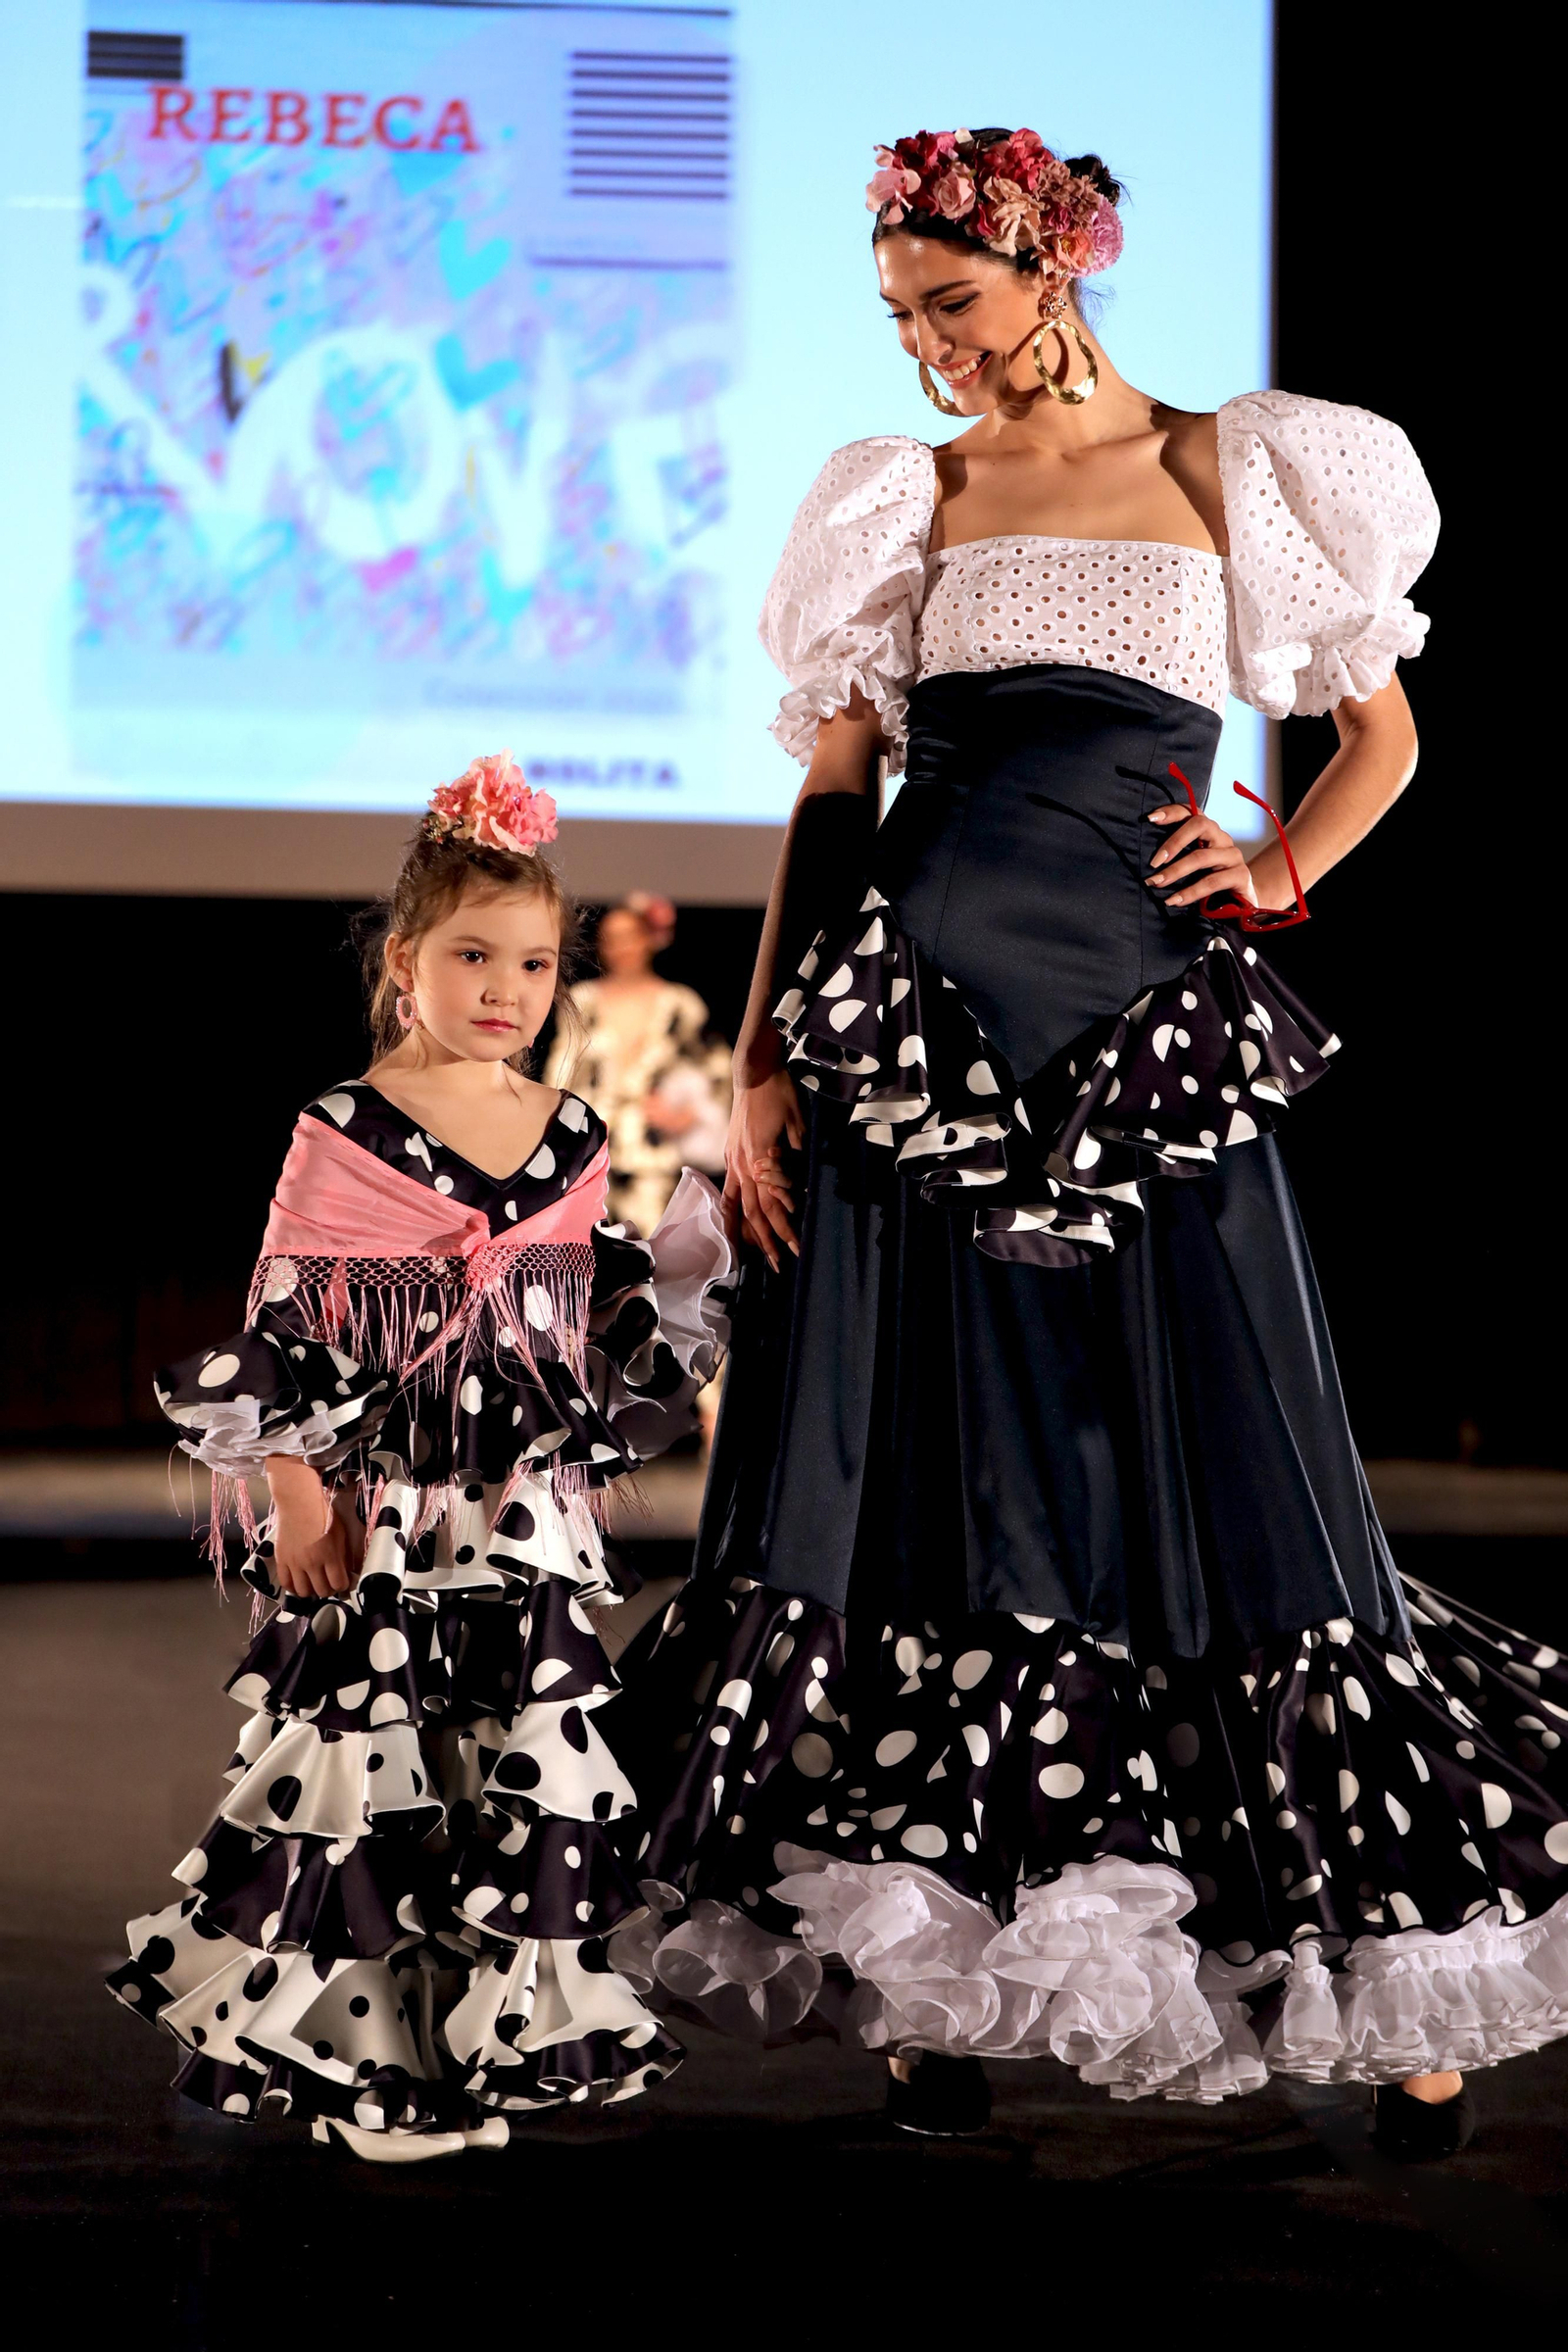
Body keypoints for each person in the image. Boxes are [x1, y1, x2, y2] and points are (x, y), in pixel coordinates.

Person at [612, 129, 1568, 2154]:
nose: (925, 348)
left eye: (947, 304)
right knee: (926, 1491)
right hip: (907, 1050)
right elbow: (825, 804)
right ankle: (936, 1975)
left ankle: (1379, 1965)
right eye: (895, 318)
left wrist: (1275, 865)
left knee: (1230, 1480)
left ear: (1051, 266)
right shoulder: (909, 495)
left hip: (1141, 1044)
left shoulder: (1244, 467)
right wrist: (767, 1063)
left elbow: (1382, 733)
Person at [110, 755, 730, 2163]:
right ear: (406, 962)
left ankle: (485, 2036)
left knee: (505, 1758)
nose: (508, 987)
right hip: (387, 1503)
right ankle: (366, 2050)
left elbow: (577, 1319)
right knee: (370, 1756)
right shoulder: (340, 1131)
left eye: (535, 962)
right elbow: (282, 1320)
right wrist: (293, 1492)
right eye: (473, 955)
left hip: (514, 1507)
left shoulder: (571, 1130)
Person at [548, 898, 730, 1234]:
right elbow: (559, 1073)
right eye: (610, 938)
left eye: (629, 936)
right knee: (588, 1251)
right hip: (588, 1150)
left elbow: (720, 1069)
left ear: (648, 938)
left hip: (652, 1152)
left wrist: (689, 1115)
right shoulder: (582, 1001)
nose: (620, 947)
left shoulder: (679, 1004)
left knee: (650, 1251)